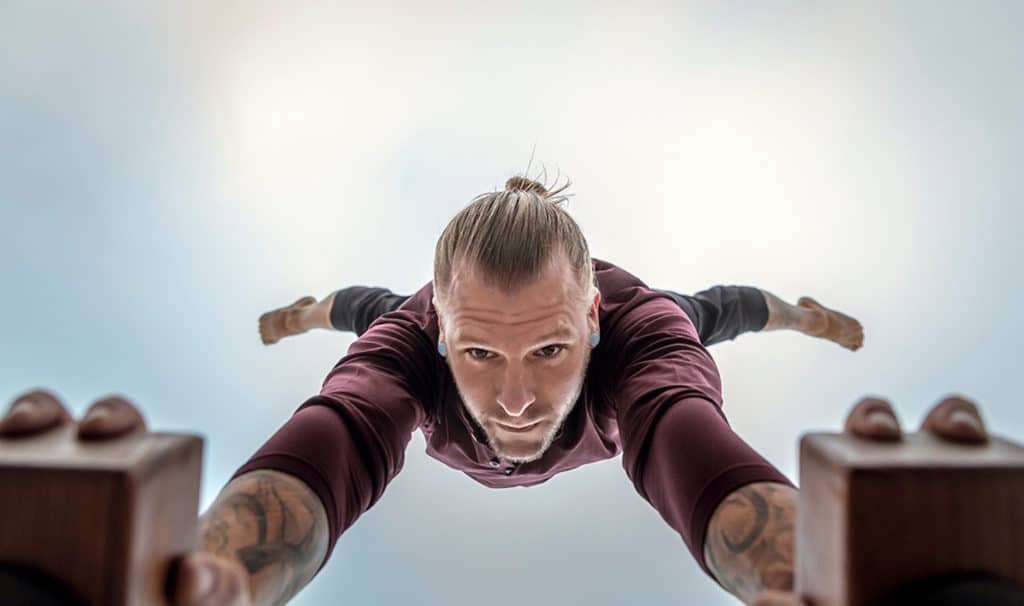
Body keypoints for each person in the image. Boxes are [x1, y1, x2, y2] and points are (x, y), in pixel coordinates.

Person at [18, 174, 992, 606]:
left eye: (551, 352)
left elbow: (687, 431)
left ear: (595, 327)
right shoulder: (405, 329)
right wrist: (217, 579)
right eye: (481, 356)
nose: (518, 400)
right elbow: (343, 428)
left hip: (680, 316)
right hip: (386, 312)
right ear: (444, 332)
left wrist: (809, 576)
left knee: (720, 311)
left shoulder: (647, 328)